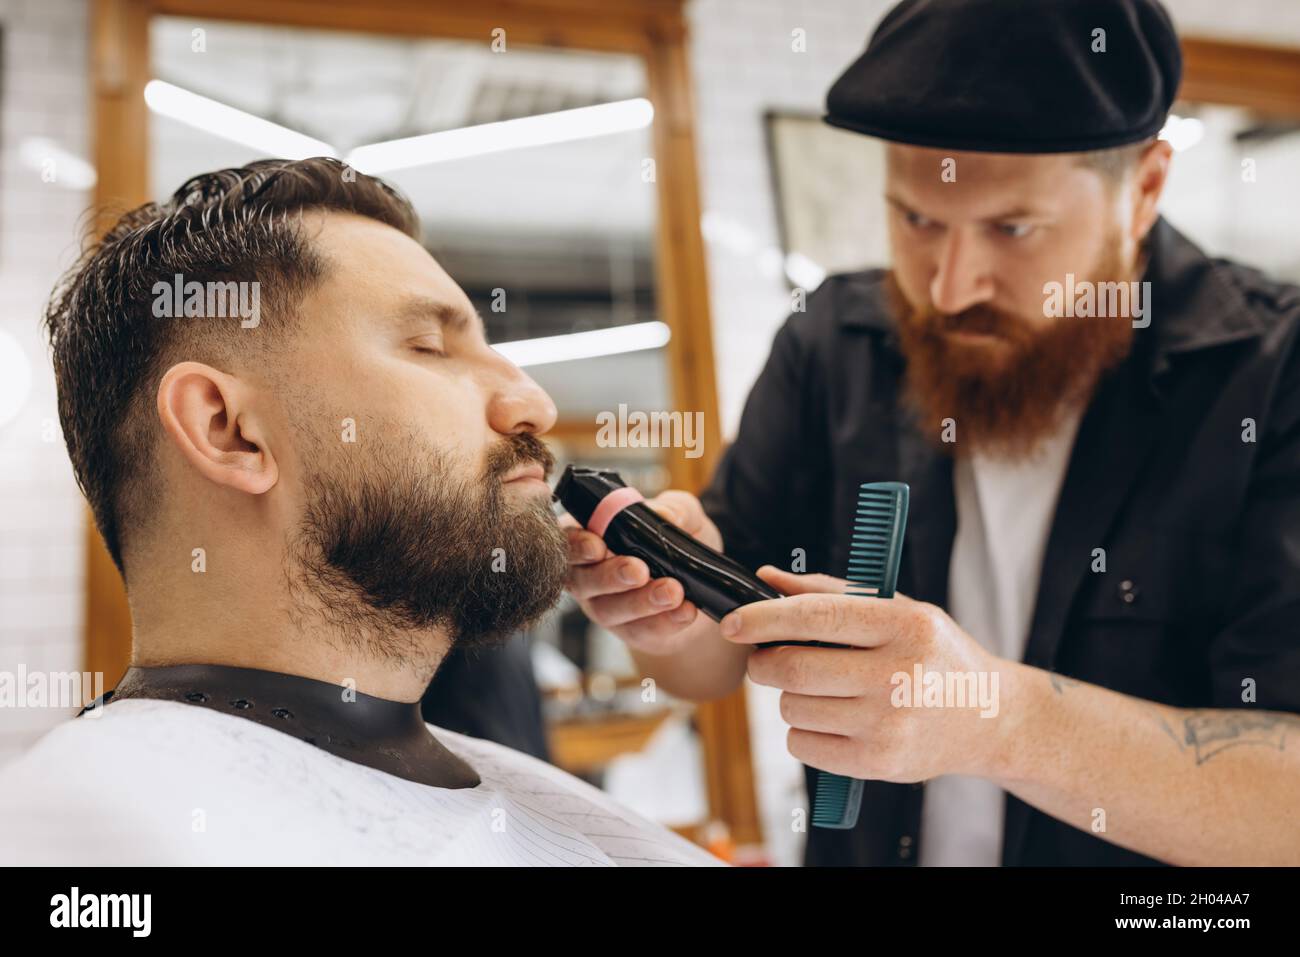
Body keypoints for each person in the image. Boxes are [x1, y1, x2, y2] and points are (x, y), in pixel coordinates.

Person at [564, 0, 1300, 866]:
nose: (949, 290)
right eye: (917, 220)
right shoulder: (834, 342)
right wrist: (666, 613)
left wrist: (997, 719)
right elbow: (714, 666)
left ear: (1142, 189)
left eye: (1012, 229)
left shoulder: (1274, 373)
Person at [0, 158, 718, 867]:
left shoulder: (514, 785)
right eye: (431, 346)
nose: (534, 403)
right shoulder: (89, 830)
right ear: (229, 429)